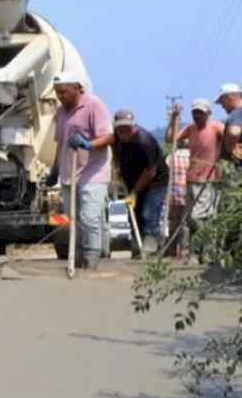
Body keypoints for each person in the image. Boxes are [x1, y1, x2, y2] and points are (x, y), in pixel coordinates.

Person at [47, 71, 113, 270]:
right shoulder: (61, 112)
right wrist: (55, 170)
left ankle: (92, 257)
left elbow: (110, 137)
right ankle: (80, 257)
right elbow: (61, 144)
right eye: (57, 93)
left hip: (93, 172)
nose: (60, 96)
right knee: (75, 220)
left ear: (77, 88)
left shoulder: (94, 106)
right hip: (69, 174)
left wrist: (88, 145)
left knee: (89, 217)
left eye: (64, 92)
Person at [102, 110, 168, 259]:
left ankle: (152, 249)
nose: (124, 130)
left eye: (127, 127)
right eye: (120, 127)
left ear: (134, 126)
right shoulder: (118, 136)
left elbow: (150, 172)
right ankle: (138, 247)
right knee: (135, 214)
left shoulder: (144, 141)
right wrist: (117, 166)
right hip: (133, 180)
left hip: (155, 182)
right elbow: (113, 145)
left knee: (148, 214)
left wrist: (134, 192)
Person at [169, 98, 225, 258]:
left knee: (198, 216)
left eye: (200, 113)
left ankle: (207, 249)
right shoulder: (191, 129)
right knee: (190, 219)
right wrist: (174, 118)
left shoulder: (217, 127)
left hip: (209, 179)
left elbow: (231, 141)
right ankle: (201, 252)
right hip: (191, 178)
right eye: (194, 112)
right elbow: (170, 139)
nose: (197, 116)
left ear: (208, 113)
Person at [166, 144, 191, 258]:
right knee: (185, 224)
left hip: (173, 195)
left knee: (173, 223)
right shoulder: (192, 156)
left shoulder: (171, 157)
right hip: (187, 194)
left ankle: (171, 249)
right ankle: (183, 250)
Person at [219, 83, 242, 168]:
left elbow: (234, 132)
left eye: (222, 101)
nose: (222, 106)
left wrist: (229, 149)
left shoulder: (237, 113)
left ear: (229, 97)